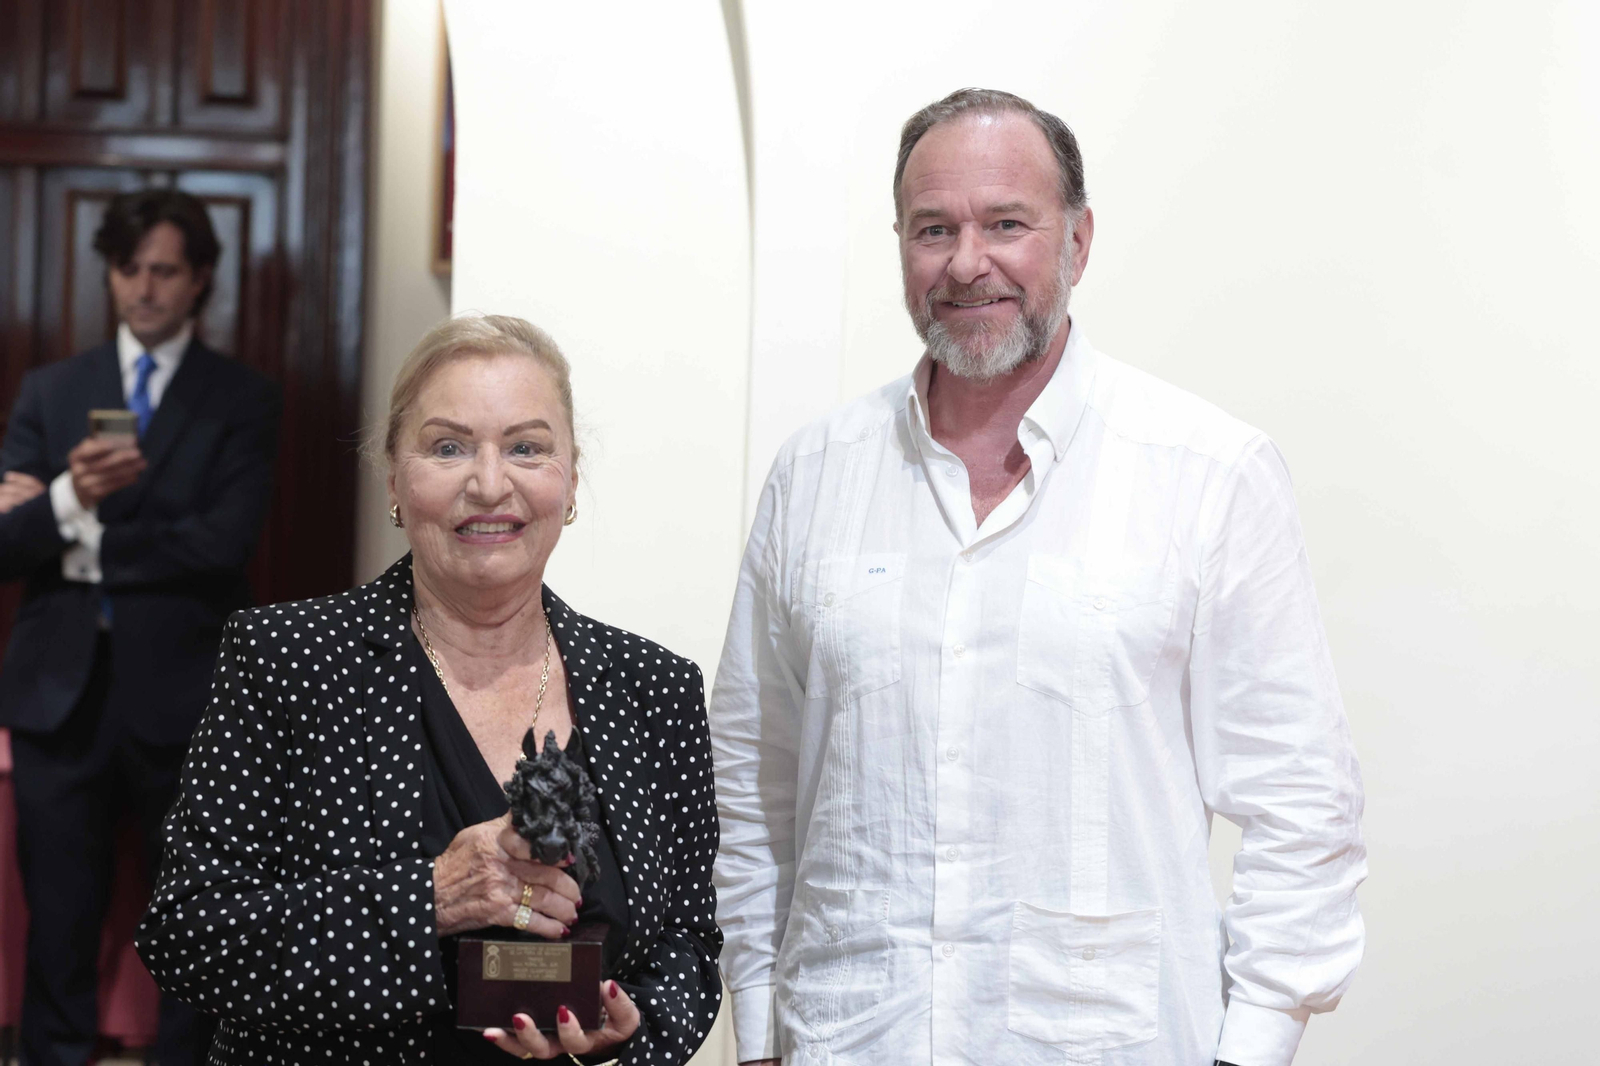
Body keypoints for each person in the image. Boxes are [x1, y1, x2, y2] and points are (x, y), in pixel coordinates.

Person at [710, 88, 1367, 1066]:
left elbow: (1301, 797)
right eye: (934, 228)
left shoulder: (1205, 472)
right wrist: (758, 1030)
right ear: (900, 244)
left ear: (1078, 240)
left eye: (1006, 223)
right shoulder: (813, 478)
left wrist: (1254, 1042)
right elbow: (752, 785)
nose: (967, 262)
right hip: (852, 1038)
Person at [135, 314, 723, 1064]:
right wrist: (430, 898)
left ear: (570, 480)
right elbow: (190, 934)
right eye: (448, 447)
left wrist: (630, 1038)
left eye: (526, 448)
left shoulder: (655, 690)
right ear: (394, 478)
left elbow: (689, 944)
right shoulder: (286, 660)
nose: (488, 482)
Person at [0, 188, 280, 1066]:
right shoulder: (51, 390)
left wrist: (70, 523)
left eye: (163, 270)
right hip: (58, 692)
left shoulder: (243, 397)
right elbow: (4, 545)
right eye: (129, 270)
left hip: (188, 697)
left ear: (199, 280)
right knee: (59, 918)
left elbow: (222, 544)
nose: (143, 289)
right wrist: (67, 499)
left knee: (196, 917)